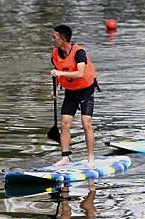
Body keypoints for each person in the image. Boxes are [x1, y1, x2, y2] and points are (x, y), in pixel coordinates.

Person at [50, 24, 99, 166]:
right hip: (70, 92)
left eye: (54, 37)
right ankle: (65, 157)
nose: (52, 40)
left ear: (63, 39)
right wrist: (55, 90)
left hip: (86, 91)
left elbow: (80, 73)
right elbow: (56, 73)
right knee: (64, 124)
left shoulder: (79, 52)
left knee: (86, 124)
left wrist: (60, 73)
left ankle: (91, 158)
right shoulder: (54, 54)